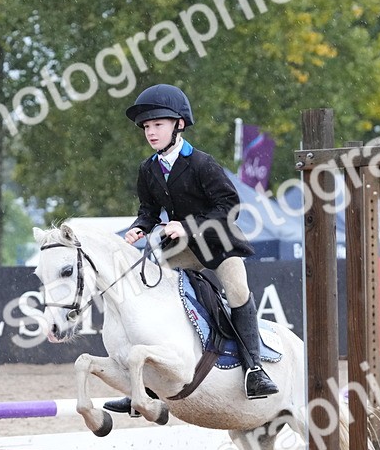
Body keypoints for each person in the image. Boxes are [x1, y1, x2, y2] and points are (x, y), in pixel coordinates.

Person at [103, 84, 278, 415]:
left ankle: (255, 370)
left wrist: (188, 225)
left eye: (158, 124)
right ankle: (146, 385)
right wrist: (139, 227)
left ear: (178, 125)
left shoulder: (201, 163)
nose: (151, 132)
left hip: (218, 242)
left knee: (238, 291)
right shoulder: (148, 169)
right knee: (154, 296)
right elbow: (149, 210)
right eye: (147, 127)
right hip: (181, 248)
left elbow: (229, 205)